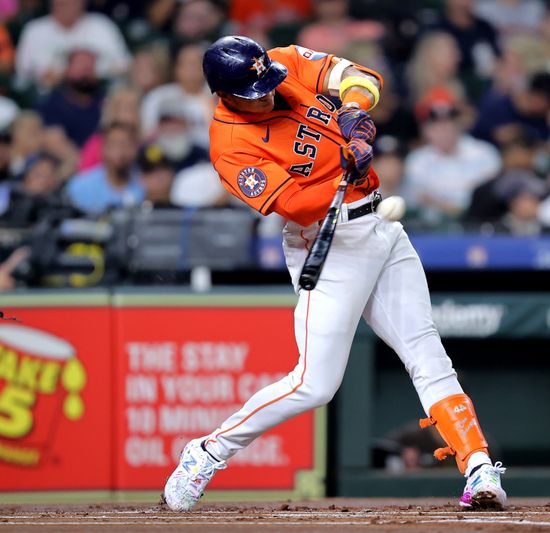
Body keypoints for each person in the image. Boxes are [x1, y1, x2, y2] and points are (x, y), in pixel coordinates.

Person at [162, 35, 507, 512]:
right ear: (224, 93)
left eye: (266, 83)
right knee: (314, 383)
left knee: (426, 351)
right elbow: (295, 204)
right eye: (253, 90)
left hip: (381, 224)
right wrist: (339, 169)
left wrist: (353, 114)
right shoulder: (230, 145)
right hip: (327, 240)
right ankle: (208, 451)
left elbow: (363, 78)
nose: (265, 93)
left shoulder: (279, 63)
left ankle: (478, 466)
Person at [404, 88, 501, 226]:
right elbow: (419, 201)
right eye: (436, 125)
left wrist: (440, 202)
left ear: (458, 124)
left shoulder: (485, 153)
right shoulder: (417, 160)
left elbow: (489, 198)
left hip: (479, 226)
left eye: (448, 122)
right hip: (432, 230)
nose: (444, 130)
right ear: (425, 131)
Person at [15, 0, 130, 90]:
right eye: (62, 3)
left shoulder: (102, 25)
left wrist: (89, 72)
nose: (66, 8)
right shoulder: (34, 30)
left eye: (71, 2)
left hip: (98, 92)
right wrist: (44, 75)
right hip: (49, 95)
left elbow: (124, 64)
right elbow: (22, 71)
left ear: (82, 3)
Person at [65, 121, 143, 215]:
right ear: (103, 148)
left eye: (125, 144)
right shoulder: (80, 187)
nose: (120, 151)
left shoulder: (147, 185)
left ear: (135, 148)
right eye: (113, 144)